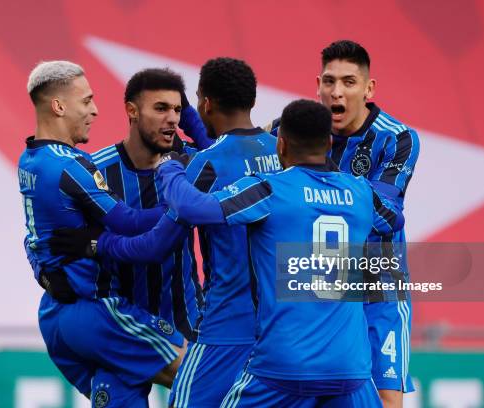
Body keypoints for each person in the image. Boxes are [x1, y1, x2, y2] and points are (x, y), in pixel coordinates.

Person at [153, 99, 404, 407]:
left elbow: (194, 207)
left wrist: (169, 169)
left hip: (283, 368)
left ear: (280, 145)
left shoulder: (269, 189)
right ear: (328, 142)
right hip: (350, 369)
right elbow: (393, 218)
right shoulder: (360, 192)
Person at [18, 60, 189, 408]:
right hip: (101, 313)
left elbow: (35, 231)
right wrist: (188, 207)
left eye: (177, 109)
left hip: (57, 315)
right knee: (200, 377)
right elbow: (129, 223)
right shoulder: (78, 166)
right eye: (86, 101)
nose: (95, 110)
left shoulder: (29, 158)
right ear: (59, 106)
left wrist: (42, 269)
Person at [265, 40, 419, 407]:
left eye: (349, 82)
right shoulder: (285, 131)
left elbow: (383, 214)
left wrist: (312, 176)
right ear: (317, 84)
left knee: (386, 397)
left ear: (369, 89)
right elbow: (235, 149)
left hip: (378, 285)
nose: (337, 92)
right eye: (330, 81)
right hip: (312, 286)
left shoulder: (397, 137)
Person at [163, 57, 282, 408]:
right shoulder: (285, 152)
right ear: (253, 100)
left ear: (206, 103)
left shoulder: (205, 163)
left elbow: (165, 238)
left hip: (225, 327)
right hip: (282, 327)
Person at [88, 67, 203, 342]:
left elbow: (225, 154)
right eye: (161, 108)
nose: (172, 119)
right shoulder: (95, 170)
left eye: (177, 110)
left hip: (187, 322)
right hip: (120, 324)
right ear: (132, 110)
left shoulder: (196, 163)